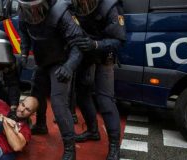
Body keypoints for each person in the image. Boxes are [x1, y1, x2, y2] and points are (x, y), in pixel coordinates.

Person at [18, 0, 85, 159]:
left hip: (60, 62)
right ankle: (41, 125)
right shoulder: (23, 13)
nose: (33, 13)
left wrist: (69, 66)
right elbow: (25, 37)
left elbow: (78, 44)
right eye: (29, 9)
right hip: (42, 62)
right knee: (36, 95)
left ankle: (70, 149)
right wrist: (23, 55)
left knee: (58, 102)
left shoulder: (60, 12)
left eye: (36, 9)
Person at [70, 0, 126, 159]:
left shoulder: (110, 6)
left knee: (105, 100)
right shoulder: (73, 4)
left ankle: (114, 146)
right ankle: (93, 131)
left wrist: (95, 44)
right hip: (85, 52)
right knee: (81, 94)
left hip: (104, 53)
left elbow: (119, 40)